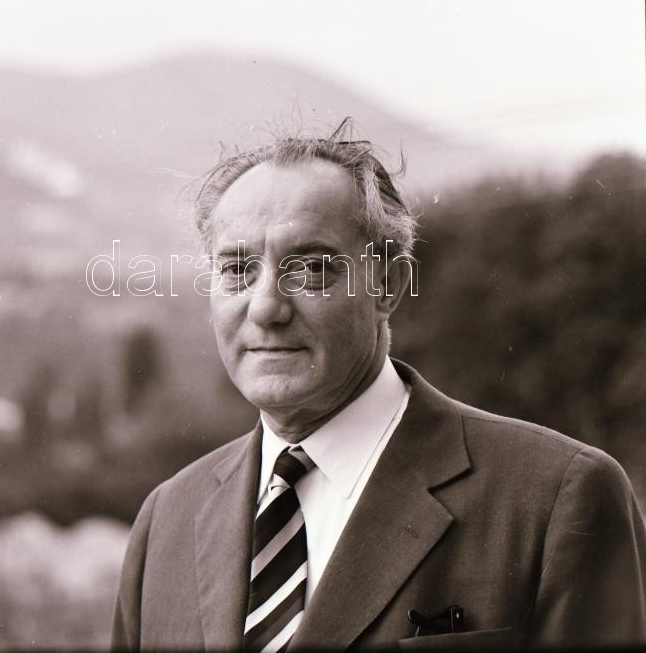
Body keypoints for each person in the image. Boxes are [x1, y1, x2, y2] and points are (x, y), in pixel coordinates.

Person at [112, 123, 646, 650]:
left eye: (312, 267)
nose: (266, 307)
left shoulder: (556, 499)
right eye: (237, 270)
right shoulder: (167, 521)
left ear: (387, 285)